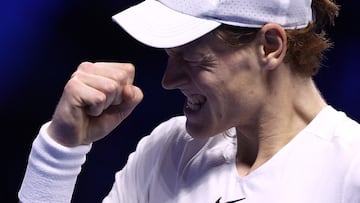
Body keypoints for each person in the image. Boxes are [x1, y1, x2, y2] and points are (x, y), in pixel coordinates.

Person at [18, 0, 360, 202]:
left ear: (270, 46)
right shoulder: (166, 149)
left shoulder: (352, 169)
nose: (169, 81)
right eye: (169, 56)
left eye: (196, 60)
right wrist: (60, 149)